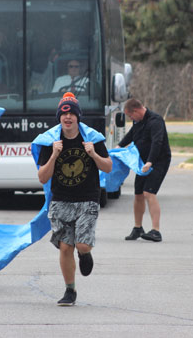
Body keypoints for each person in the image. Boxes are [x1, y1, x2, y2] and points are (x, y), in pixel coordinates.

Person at [37, 92, 112, 306]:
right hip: (61, 200)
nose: (67, 118)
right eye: (63, 114)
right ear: (59, 117)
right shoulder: (50, 142)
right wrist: (53, 155)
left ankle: (85, 254)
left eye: (71, 114)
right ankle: (70, 290)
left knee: (82, 245)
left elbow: (108, 166)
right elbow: (42, 176)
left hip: (87, 198)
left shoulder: (92, 139)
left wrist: (94, 155)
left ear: (78, 117)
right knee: (65, 247)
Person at [118, 98, 171, 242]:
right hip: (142, 162)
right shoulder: (138, 121)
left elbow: (157, 142)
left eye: (130, 116)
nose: (131, 119)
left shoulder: (155, 121)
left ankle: (156, 231)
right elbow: (131, 134)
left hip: (158, 161)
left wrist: (150, 161)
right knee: (138, 194)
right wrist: (119, 146)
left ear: (136, 111)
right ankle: (137, 228)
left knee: (149, 192)